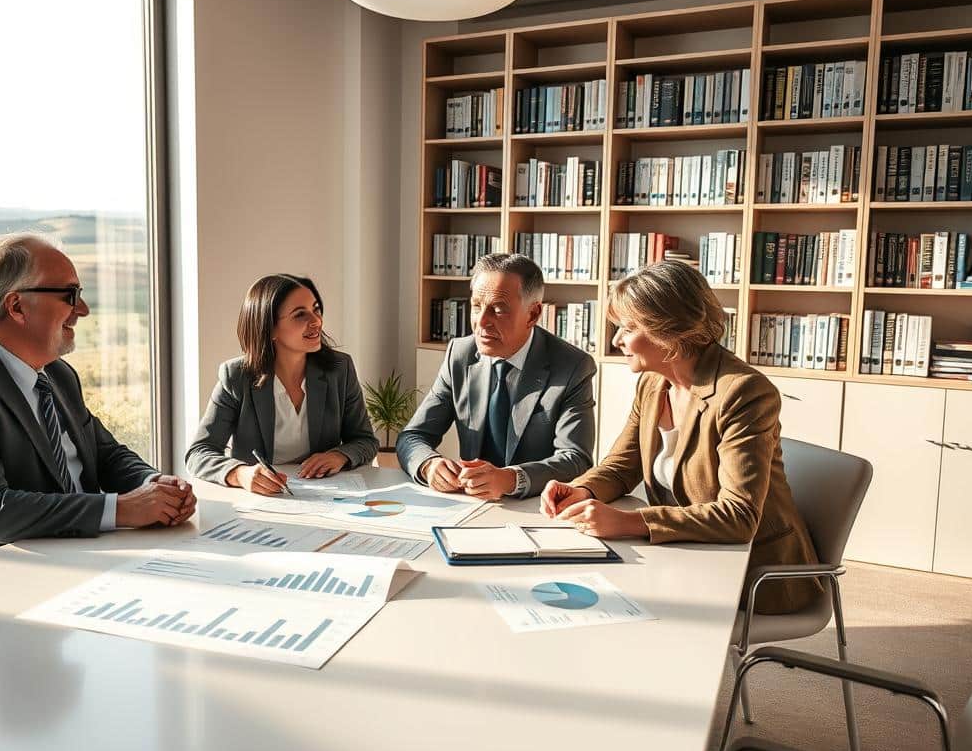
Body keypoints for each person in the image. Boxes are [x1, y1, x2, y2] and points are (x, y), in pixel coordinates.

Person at [539, 260, 820, 614]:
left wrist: (629, 522)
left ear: (668, 331)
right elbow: (623, 467)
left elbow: (738, 517)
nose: (617, 340)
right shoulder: (653, 383)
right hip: (684, 556)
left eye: (628, 327)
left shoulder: (743, 392)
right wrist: (582, 489)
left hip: (751, 574)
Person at [0, 233, 195, 559]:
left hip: (85, 553)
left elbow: (106, 456)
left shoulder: (57, 373)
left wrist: (158, 486)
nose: (83, 309)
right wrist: (122, 509)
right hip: (2, 570)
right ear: (17, 306)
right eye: (69, 294)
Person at [397, 253, 596, 500]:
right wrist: (429, 465)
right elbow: (413, 436)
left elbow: (576, 459)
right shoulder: (460, 354)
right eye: (477, 306)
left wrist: (511, 479)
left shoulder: (572, 367)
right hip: (469, 506)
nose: (482, 322)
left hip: (536, 509)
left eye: (498, 310)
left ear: (533, 314)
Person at [185, 274, 379, 494]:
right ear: (270, 328)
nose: (316, 321)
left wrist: (340, 455)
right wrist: (240, 473)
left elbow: (365, 441)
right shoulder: (236, 376)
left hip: (330, 496)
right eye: (300, 315)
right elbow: (199, 453)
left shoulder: (339, 368)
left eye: (316, 309)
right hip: (264, 501)